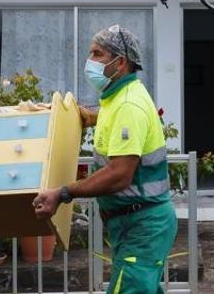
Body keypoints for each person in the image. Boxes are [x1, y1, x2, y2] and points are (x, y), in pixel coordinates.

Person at [33, 25, 175, 294]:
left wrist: (64, 192)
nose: (90, 62)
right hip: (133, 224)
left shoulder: (127, 105)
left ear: (120, 62)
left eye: (97, 54)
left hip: (143, 226)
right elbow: (109, 117)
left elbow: (119, 174)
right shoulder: (117, 99)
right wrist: (75, 116)